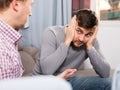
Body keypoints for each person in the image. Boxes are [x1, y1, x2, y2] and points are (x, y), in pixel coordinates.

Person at [33, 9, 112, 90]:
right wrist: (67, 40)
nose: (82, 39)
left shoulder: (90, 41)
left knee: (110, 83)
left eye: (88, 34)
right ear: (72, 24)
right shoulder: (51, 33)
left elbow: (105, 73)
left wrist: (89, 47)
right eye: (79, 31)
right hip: (43, 83)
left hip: (69, 81)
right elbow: (47, 71)